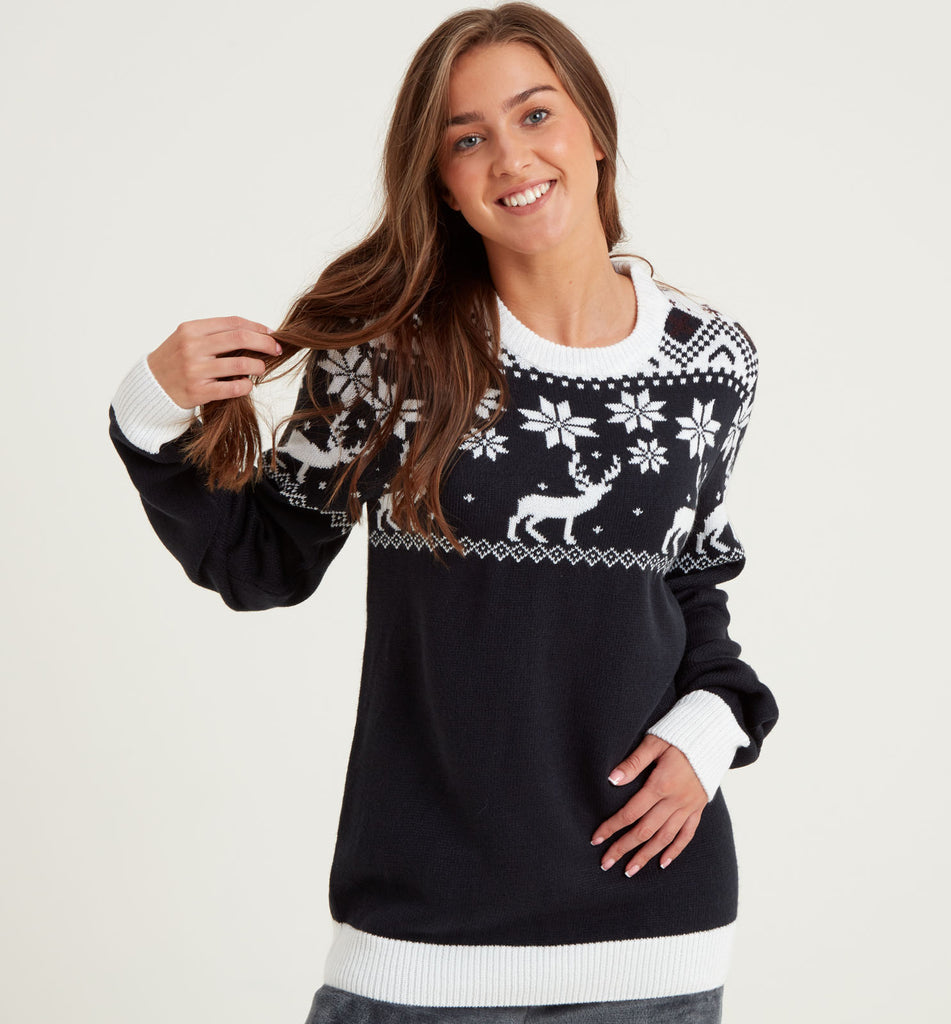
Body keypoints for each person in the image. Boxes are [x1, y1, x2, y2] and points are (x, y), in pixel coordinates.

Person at [108, 3, 779, 1022]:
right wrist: (148, 414)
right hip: (422, 947)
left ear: (594, 131)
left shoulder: (709, 361)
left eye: (535, 114)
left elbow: (691, 581)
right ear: (443, 183)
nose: (510, 157)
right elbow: (262, 564)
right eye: (467, 139)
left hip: (655, 943)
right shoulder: (389, 356)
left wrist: (712, 726)